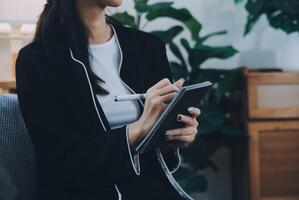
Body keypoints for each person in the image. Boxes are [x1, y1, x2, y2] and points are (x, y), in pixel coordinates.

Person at [15, 0, 201, 200]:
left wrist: (173, 136)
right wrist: (137, 129)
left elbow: (158, 154)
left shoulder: (147, 47)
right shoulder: (37, 60)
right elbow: (60, 166)